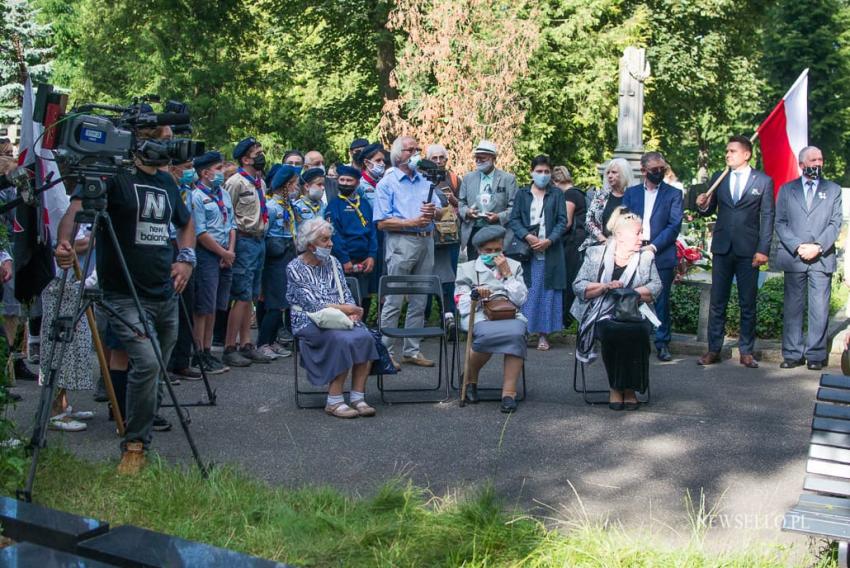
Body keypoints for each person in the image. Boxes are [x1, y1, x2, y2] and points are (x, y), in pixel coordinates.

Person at [54, 123, 195, 474]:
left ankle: (141, 421)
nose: (167, 147)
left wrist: (186, 259)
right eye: (160, 141)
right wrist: (64, 242)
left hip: (164, 291)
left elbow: (186, 224)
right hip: (123, 295)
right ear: (139, 142)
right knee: (146, 363)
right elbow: (75, 208)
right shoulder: (116, 177)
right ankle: (134, 445)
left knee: (157, 366)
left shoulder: (166, 182)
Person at [286, 218, 379, 418]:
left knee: (365, 336)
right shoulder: (294, 267)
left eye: (330, 239)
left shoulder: (334, 262)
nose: (330, 244)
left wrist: (352, 312)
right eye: (324, 240)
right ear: (310, 245)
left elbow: (344, 292)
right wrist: (349, 309)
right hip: (308, 319)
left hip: (340, 318)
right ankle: (334, 400)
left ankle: (358, 397)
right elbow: (313, 304)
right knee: (343, 340)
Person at [695, 135, 775, 368]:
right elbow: (708, 210)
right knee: (717, 301)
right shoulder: (720, 179)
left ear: (746, 154)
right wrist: (702, 204)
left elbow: (767, 217)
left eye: (732, 151)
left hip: (749, 251)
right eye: (727, 151)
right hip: (722, 249)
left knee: (747, 302)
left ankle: (747, 351)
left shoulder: (763, 181)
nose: (727, 155)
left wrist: (763, 249)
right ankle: (713, 350)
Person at [572, 207, 662, 410]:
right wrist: (605, 287)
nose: (642, 237)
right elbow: (578, 286)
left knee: (637, 331)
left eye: (642, 232)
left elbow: (656, 288)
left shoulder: (646, 257)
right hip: (600, 311)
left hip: (635, 313)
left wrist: (629, 293)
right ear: (620, 235)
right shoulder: (595, 253)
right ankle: (616, 386)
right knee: (614, 331)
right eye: (637, 233)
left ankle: (630, 388)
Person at [374, 135, 443, 368]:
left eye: (416, 149)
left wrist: (434, 212)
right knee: (394, 298)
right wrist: (412, 222)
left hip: (426, 241)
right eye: (408, 150)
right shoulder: (387, 182)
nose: (414, 154)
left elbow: (442, 213)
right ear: (397, 154)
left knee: (419, 299)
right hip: (401, 242)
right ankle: (386, 351)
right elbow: (382, 222)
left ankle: (412, 350)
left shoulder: (425, 179)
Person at [775, 146, 842, 371]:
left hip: (821, 258)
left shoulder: (833, 190)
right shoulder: (787, 190)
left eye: (820, 159)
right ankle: (792, 354)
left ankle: (816, 355)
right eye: (813, 160)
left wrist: (818, 247)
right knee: (793, 308)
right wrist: (797, 246)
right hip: (795, 257)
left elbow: (835, 223)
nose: (818, 163)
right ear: (802, 164)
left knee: (820, 308)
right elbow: (780, 223)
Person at [455, 225, 528, 413]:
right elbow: (461, 305)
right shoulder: (466, 269)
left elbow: (521, 299)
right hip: (479, 314)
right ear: (479, 250)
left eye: (498, 250)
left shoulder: (514, 266)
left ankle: (508, 393)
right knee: (486, 336)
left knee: (516, 334)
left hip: (509, 313)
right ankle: (470, 379)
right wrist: (475, 295)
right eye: (488, 250)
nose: (494, 254)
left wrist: (508, 275)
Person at [622, 152, 684, 362]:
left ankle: (662, 342)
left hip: (661, 252)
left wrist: (654, 247)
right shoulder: (631, 193)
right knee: (632, 296)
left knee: (661, 299)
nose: (659, 173)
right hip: (634, 251)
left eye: (662, 169)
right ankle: (635, 340)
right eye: (655, 170)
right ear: (644, 170)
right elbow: (625, 220)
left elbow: (674, 225)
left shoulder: (673, 194)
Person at [508, 155, 567, 351]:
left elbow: (562, 221)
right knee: (526, 291)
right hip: (526, 251)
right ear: (531, 172)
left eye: (546, 172)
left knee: (547, 292)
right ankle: (524, 332)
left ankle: (544, 335)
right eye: (539, 171)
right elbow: (514, 219)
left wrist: (549, 240)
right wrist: (527, 236)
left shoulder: (557, 194)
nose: (543, 175)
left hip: (550, 251)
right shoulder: (522, 193)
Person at [223, 137, 272, 367]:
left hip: (259, 239)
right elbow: (228, 213)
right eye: (256, 153)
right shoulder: (235, 182)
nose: (260, 156)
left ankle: (247, 343)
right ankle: (229, 346)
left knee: (252, 294)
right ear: (245, 159)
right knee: (241, 295)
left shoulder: (259, 183)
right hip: (244, 240)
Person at [190, 151, 235, 374]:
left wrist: (230, 252)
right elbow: (200, 232)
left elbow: (232, 225)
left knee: (217, 304)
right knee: (203, 307)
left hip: (226, 253)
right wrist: (222, 253)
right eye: (218, 169)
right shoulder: (196, 196)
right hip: (207, 254)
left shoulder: (224, 194)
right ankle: (199, 353)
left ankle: (208, 350)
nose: (221, 172)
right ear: (205, 172)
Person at [255, 165, 301, 360]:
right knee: (275, 305)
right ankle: (262, 343)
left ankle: (272, 341)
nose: (296, 188)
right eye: (294, 185)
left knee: (283, 302)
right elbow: (263, 235)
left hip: (288, 254)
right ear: (286, 185)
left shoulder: (287, 207)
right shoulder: (272, 207)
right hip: (274, 260)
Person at [324, 165, 377, 313]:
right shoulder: (334, 205)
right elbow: (335, 235)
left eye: (349, 180)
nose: (345, 183)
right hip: (345, 262)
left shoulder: (365, 204)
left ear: (357, 183)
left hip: (365, 260)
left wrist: (372, 256)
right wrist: (344, 259)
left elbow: (373, 232)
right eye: (342, 180)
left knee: (365, 297)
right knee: (346, 299)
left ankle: (363, 328)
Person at [458, 140, 517, 261]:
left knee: (497, 266)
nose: (478, 161)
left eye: (482, 158)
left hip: (497, 232)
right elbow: (461, 203)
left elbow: (515, 207)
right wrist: (467, 212)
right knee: (475, 268)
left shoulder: (508, 179)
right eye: (476, 158)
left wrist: (499, 216)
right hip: (474, 231)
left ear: (493, 158)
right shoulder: (468, 178)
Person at [426, 143, 462, 312]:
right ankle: (425, 316)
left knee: (449, 278)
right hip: (427, 236)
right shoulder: (421, 179)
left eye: (442, 158)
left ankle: (448, 315)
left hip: (449, 238)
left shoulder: (454, 179)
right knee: (425, 277)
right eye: (434, 158)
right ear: (428, 160)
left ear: (447, 160)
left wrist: (455, 201)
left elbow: (466, 206)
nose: (438, 161)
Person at [552, 165, 586, 326]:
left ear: (556, 181)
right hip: (576, 242)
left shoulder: (570, 195)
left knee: (567, 281)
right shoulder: (578, 193)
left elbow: (565, 222)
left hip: (571, 243)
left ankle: (564, 319)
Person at [582, 158, 634, 250]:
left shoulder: (634, 196)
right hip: (601, 246)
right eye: (608, 172)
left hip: (627, 247)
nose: (609, 176)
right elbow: (588, 220)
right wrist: (603, 239)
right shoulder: (600, 195)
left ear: (624, 174)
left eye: (614, 172)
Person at [357, 143, 386, 208]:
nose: (383, 164)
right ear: (367, 162)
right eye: (378, 160)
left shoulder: (385, 182)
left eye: (383, 160)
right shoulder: (359, 186)